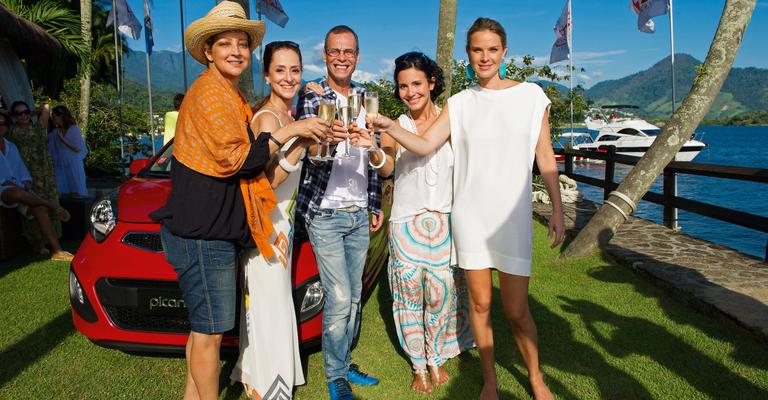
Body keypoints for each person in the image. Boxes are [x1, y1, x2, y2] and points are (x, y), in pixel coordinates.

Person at [365, 18, 565, 400]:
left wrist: (556, 208)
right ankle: (490, 381)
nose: (484, 57)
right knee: (479, 302)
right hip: (471, 216)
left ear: (504, 51)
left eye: (492, 49)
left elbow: (545, 155)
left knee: (517, 310)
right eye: (477, 50)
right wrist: (388, 125)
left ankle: (536, 379)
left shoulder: (532, 96)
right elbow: (423, 146)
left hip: (512, 215)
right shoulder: (459, 104)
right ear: (468, 54)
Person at [150, 3, 326, 399]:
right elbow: (241, 160)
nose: (235, 50)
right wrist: (296, 131)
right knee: (210, 334)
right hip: (203, 232)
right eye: (225, 43)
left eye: (242, 43)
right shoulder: (211, 95)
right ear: (208, 51)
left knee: (202, 330)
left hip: (208, 230)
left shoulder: (228, 95)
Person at [358, 52, 473, 393]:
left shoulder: (451, 120)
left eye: (417, 84)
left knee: (441, 295)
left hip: (445, 221)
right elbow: (388, 167)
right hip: (406, 221)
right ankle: (419, 364)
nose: (410, 92)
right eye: (403, 86)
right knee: (408, 296)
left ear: (432, 83)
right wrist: (372, 150)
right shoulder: (396, 124)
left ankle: (436, 355)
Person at [230, 40, 328, 399]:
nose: (289, 77)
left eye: (295, 70)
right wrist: (300, 142)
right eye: (281, 70)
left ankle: (258, 376)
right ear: (267, 75)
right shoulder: (267, 119)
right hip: (265, 225)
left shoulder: (290, 116)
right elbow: (263, 180)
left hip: (283, 222)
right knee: (267, 305)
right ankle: (267, 387)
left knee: (273, 302)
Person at [295, 24, 383, 400]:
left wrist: (375, 203)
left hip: (359, 211)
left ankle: (344, 362)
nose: (342, 57)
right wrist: (324, 142)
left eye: (348, 51)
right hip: (326, 212)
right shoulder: (314, 98)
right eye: (335, 51)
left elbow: (375, 157)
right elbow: (310, 159)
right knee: (339, 294)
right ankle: (335, 376)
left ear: (357, 56)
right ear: (326, 55)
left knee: (355, 295)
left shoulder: (369, 100)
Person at [0, 111, 73, 261]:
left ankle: (57, 251)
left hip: (18, 188)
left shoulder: (11, 146)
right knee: (18, 193)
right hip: (4, 189)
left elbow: (21, 169)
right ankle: (52, 205)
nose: (0, 126)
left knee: (39, 208)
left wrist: (26, 180)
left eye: (3, 123)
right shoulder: (15, 135)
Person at [7, 100, 63, 255]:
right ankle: (38, 244)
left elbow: (46, 107)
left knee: (50, 200)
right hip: (26, 173)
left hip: (44, 172)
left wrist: (28, 112)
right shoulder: (12, 132)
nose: (23, 116)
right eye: (19, 113)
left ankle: (52, 241)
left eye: (25, 112)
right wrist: (12, 115)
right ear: (14, 116)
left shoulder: (38, 128)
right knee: (33, 208)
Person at [48, 105, 88, 197]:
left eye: (54, 116)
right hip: (60, 165)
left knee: (76, 191)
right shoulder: (55, 132)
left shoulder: (74, 129)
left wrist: (63, 140)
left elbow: (78, 149)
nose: (52, 118)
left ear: (60, 116)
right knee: (62, 191)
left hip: (73, 164)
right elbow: (51, 150)